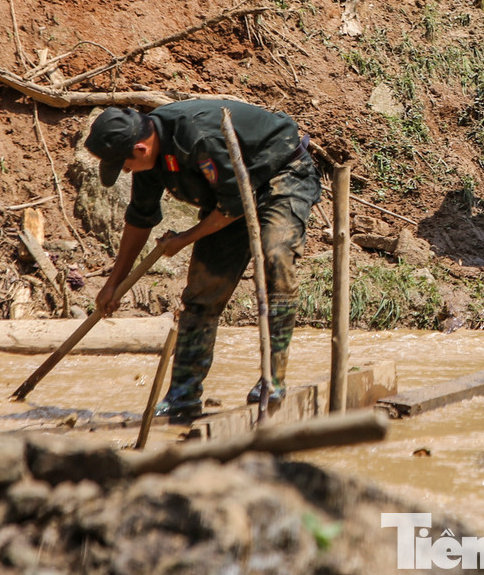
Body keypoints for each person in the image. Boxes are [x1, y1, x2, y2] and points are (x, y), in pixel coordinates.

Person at [83, 99, 320, 423]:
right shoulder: (149, 161)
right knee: (203, 291)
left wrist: (184, 239)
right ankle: (183, 394)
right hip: (227, 201)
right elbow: (140, 219)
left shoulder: (198, 138)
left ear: (139, 148)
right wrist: (113, 284)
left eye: (123, 164)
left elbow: (236, 203)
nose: (125, 171)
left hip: (279, 177)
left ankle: (272, 379)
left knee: (275, 258)